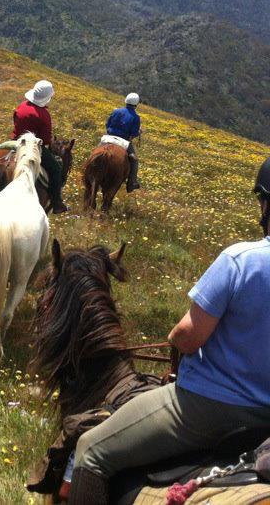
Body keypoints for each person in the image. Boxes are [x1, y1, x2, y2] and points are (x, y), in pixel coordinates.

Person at [67, 157, 270, 505]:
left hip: (206, 409)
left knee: (90, 452)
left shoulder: (242, 260)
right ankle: (130, 178)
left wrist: (175, 336)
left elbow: (190, 337)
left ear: (265, 203)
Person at [12, 80, 68, 213]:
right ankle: (56, 202)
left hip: (16, 143)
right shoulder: (43, 114)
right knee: (55, 169)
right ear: (47, 98)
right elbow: (46, 139)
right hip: (33, 147)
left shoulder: (21, 106)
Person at [106, 93, 142, 192]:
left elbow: (107, 124)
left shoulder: (116, 111)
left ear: (126, 101)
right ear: (136, 104)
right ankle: (131, 183)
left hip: (108, 138)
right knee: (134, 160)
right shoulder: (136, 117)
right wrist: (138, 132)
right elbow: (133, 133)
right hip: (123, 141)